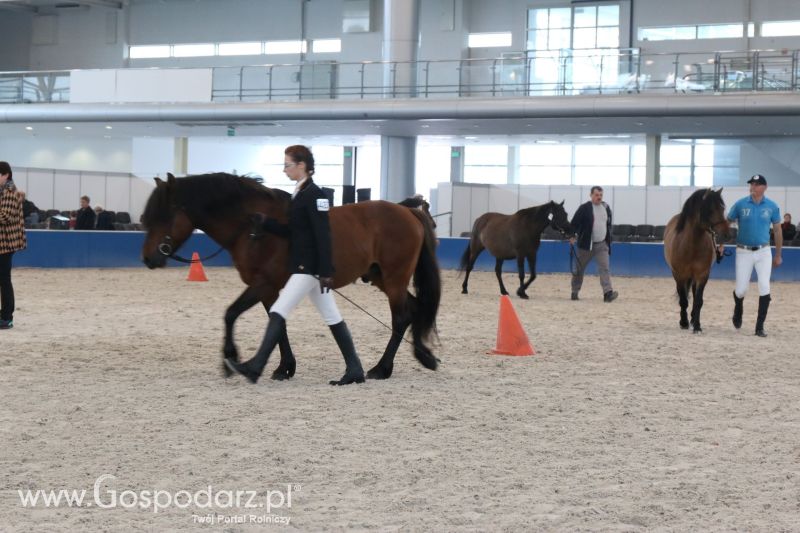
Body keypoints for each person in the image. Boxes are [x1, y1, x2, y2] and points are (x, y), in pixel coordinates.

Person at [226, 144, 365, 386]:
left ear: (302, 166)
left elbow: (323, 235)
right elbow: (293, 231)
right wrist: (266, 222)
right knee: (332, 316)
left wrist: (325, 271)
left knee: (278, 311)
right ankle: (355, 368)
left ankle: (256, 366)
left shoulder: (315, 195)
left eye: (287, 165)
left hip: (308, 268)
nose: (284, 170)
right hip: (304, 267)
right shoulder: (298, 193)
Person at [728, 174, 782, 337]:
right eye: (751, 184)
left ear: (764, 187)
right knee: (741, 289)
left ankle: (759, 327)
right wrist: (721, 242)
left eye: (756, 184)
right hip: (743, 251)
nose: (752, 187)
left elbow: (778, 230)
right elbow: (727, 222)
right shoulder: (740, 204)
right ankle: (738, 307)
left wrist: (778, 254)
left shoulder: (772, 206)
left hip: (764, 251)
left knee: (764, 286)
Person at [569, 186, 618, 302]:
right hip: (586, 245)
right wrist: (572, 236)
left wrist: (608, 239)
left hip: (602, 244)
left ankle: (608, 293)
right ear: (591, 195)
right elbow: (574, 223)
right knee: (579, 270)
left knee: (604, 268)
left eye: (601, 195)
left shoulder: (606, 207)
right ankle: (575, 291)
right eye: (596, 195)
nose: (599, 197)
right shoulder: (584, 208)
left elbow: (608, 224)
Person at [0, 161, 27, 329]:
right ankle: (4, 313)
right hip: (3, 242)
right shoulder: (3, 192)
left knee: (4, 279)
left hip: (6, 243)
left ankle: (7, 316)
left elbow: (4, 216)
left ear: (6, 175)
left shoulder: (10, 192)